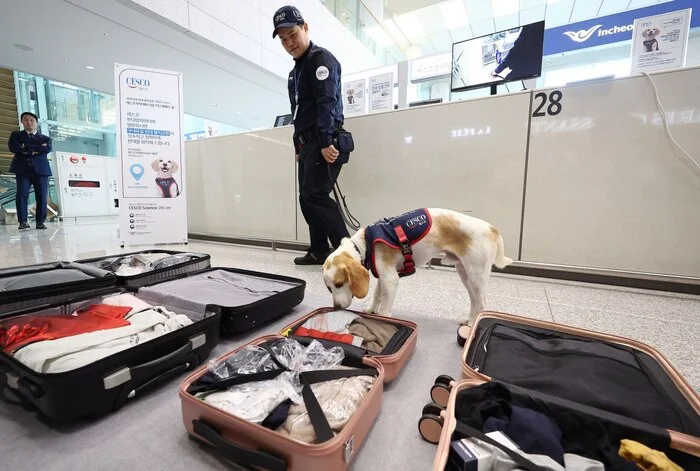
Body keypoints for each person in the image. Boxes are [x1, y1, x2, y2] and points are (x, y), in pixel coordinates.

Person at [273, 5, 350, 265]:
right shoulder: (294, 73)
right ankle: (319, 250)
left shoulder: (321, 59)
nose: (289, 43)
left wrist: (326, 141)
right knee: (306, 197)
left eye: (292, 34)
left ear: (305, 28)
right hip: (307, 144)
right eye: (283, 39)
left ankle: (349, 254)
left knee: (316, 195)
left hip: (323, 140)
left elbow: (327, 102)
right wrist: (298, 146)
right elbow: (297, 114)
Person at [7, 112, 53, 230]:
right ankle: (23, 222)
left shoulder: (45, 138)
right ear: (22, 122)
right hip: (23, 170)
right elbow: (13, 148)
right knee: (22, 195)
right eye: (26, 120)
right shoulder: (16, 135)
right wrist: (36, 149)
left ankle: (40, 222)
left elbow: (46, 149)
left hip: (41, 170)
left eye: (32, 120)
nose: (29, 122)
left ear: (36, 123)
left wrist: (24, 147)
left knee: (42, 197)